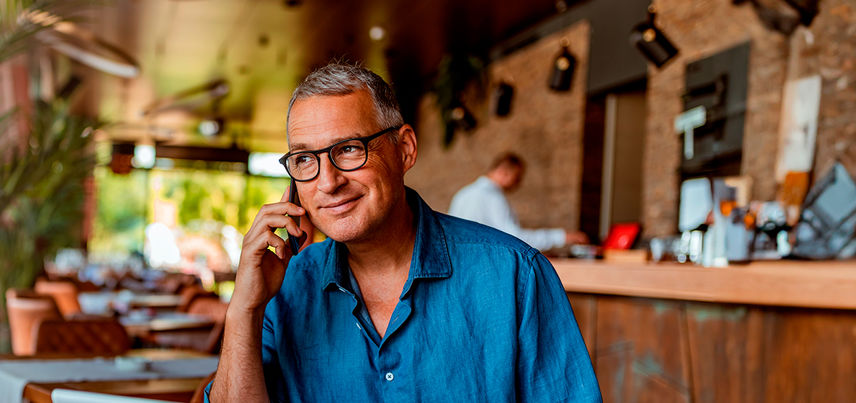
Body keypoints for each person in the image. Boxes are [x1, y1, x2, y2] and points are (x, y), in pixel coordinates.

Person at [207, 63, 600, 402]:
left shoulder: (516, 275)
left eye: (348, 149)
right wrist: (245, 306)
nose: (327, 182)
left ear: (405, 150)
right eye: (306, 159)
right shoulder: (285, 287)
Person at [449, 153, 589, 251]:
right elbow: (515, 239)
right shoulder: (493, 197)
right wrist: (561, 236)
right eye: (517, 178)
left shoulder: (462, 194)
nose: (518, 184)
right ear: (504, 172)